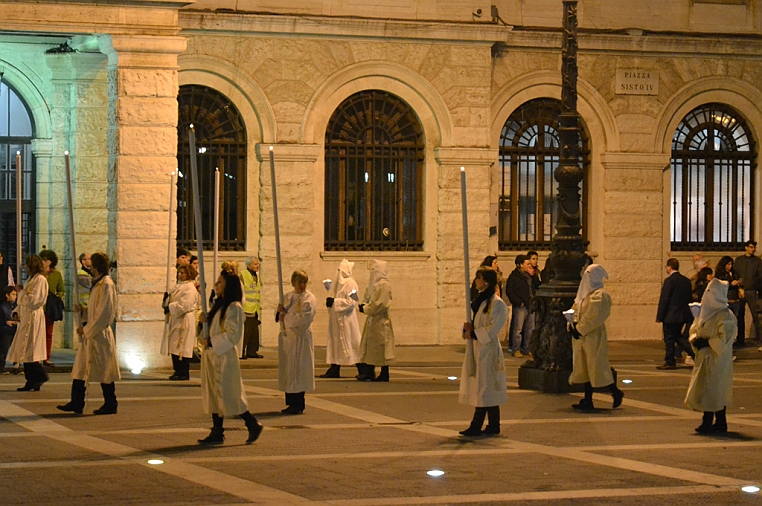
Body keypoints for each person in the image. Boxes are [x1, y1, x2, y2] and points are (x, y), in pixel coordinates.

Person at [198, 269, 263, 445]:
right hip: (213, 356)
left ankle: (252, 423)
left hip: (224, 357)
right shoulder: (219, 304)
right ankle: (217, 431)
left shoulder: (234, 307)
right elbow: (213, 328)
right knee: (214, 394)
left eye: (220, 282)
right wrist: (204, 323)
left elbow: (233, 334)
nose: (216, 285)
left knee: (229, 394)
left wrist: (212, 341)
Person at [57, 252, 120, 415]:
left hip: (99, 335)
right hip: (92, 334)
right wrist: (83, 312)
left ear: (97, 267)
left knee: (104, 370)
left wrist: (86, 329)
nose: (90, 268)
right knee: (80, 368)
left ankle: (111, 403)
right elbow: (95, 310)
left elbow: (105, 313)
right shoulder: (97, 284)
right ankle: (76, 402)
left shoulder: (106, 284)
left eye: (92, 266)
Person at [459, 266, 508, 436]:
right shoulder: (481, 302)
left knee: (485, 387)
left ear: (485, 281)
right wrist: (468, 329)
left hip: (488, 350)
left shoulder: (498, 304)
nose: (475, 281)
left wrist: (474, 333)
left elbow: (492, 328)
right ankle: (494, 424)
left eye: (478, 278)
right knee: (485, 388)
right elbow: (477, 323)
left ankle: (476, 424)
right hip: (477, 348)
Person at [568, 264, 624, 410]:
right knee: (585, 367)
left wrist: (579, 329)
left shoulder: (601, 295)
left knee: (597, 366)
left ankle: (615, 392)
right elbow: (575, 310)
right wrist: (571, 324)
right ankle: (588, 400)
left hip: (593, 337)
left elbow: (594, 317)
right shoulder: (585, 294)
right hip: (583, 337)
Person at [685, 278, 736, 434]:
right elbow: (695, 329)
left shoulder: (726, 315)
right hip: (705, 358)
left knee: (716, 389)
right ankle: (709, 421)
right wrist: (695, 340)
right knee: (706, 389)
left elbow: (725, 339)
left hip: (717, 359)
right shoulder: (705, 313)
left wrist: (708, 342)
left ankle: (719, 422)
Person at [6, 255, 49, 391]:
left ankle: (39, 377)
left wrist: (21, 291)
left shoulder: (40, 280)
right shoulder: (32, 279)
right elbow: (24, 301)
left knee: (30, 350)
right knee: (25, 350)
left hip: (33, 317)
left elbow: (35, 300)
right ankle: (33, 380)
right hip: (27, 316)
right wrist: (17, 311)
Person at [276, 270, 316, 414]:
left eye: (304, 282)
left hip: (300, 337)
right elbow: (281, 312)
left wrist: (285, 317)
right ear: (294, 282)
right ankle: (290, 401)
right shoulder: (288, 296)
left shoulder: (309, 298)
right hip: (289, 338)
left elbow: (304, 318)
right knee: (289, 370)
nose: (302, 285)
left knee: (298, 370)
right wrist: (280, 311)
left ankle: (298, 403)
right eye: (299, 282)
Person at [321, 258, 362, 378]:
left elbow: (352, 302)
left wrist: (335, 301)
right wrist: (331, 303)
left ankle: (362, 368)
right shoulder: (339, 284)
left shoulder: (351, 284)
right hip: (337, 320)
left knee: (352, 342)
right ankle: (335, 367)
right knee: (336, 343)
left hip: (347, 320)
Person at [357, 260, 395, 382]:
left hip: (381, 321)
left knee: (382, 346)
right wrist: (363, 305)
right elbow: (368, 297)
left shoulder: (384, 285)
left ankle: (384, 373)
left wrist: (367, 308)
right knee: (371, 347)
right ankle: (369, 371)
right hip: (373, 320)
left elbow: (381, 304)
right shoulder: (374, 285)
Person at [656, 258, 695, 370]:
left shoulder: (669, 281)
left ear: (669, 267)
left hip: (670, 315)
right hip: (682, 314)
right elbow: (689, 298)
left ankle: (670, 361)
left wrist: (660, 316)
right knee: (678, 337)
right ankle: (694, 354)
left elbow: (665, 299)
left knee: (669, 338)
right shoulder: (686, 281)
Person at [161, 264, 198, 381]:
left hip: (184, 318)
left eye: (183, 273)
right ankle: (177, 370)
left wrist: (170, 307)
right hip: (176, 318)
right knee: (174, 345)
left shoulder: (189, 288)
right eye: (179, 272)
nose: (180, 275)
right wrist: (166, 299)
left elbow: (185, 305)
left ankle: (183, 372)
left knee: (182, 346)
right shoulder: (179, 286)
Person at [734, 240, 762, 347]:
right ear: (746, 248)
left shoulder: (757, 261)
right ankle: (740, 340)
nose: (752, 249)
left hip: (751, 290)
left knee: (756, 316)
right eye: (750, 247)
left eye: (753, 247)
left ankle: (760, 339)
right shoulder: (739, 260)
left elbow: (760, 276)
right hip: (741, 290)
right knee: (739, 315)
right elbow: (736, 273)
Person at [506, 254, 534, 358]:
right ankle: (516, 349)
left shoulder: (529, 276)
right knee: (518, 329)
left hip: (529, 304)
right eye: (527, 264)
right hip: (520, 306)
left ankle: (527, 348)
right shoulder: (514, 276)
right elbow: (510, 291)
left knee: (530, 328)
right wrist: (518, 302)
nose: (529, 265)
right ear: (520, 265)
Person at [39, 249, 63, 366]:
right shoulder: (38, 274)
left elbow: (61, 289)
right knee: (38, 333)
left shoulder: (56, 275)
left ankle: (46, 357)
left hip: (50, 307)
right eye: (42, 260)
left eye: (46, 260)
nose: (44, 262)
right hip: (39, 307)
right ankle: (38, 357)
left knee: (48, 333)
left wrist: (57, 297)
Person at [714, 256, 741, 343]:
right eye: (728, 264)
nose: (730, 266)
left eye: (731, 264)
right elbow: (720, 286)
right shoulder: (720, 275)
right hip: (727, 301)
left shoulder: (734, 273)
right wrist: (731, 284)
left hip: (735, 300)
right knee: (725, 323)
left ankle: (732, 341)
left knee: (733, 322)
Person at [240, 257, 263, 359]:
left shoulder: (256, 276)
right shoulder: (243, 275)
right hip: (246, 308)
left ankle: (252, 351)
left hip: (254, 308)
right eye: (255, 264)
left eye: (258, 264)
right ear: (248, 265)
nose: (257, 266)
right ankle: (242, 351)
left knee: (254, 332)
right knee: (246, 331)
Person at [0, 286, 18, 374]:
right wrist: (6, 322)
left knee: (17, 348)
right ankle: (1, 367)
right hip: (6, 330)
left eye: (15, 295)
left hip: (16, 329)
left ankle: (17, 366)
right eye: (13, 294)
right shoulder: (3, 306)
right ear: (7, 295)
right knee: (4, 348)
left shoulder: (16, 306)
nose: (15, 296)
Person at [77, 253, 93, 325]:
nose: (92, 261)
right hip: (85, 307)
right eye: (89, 259)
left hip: (91, 306)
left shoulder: (90, 273)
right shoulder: (81, 274)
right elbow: (92, 284)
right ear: (83, 261)